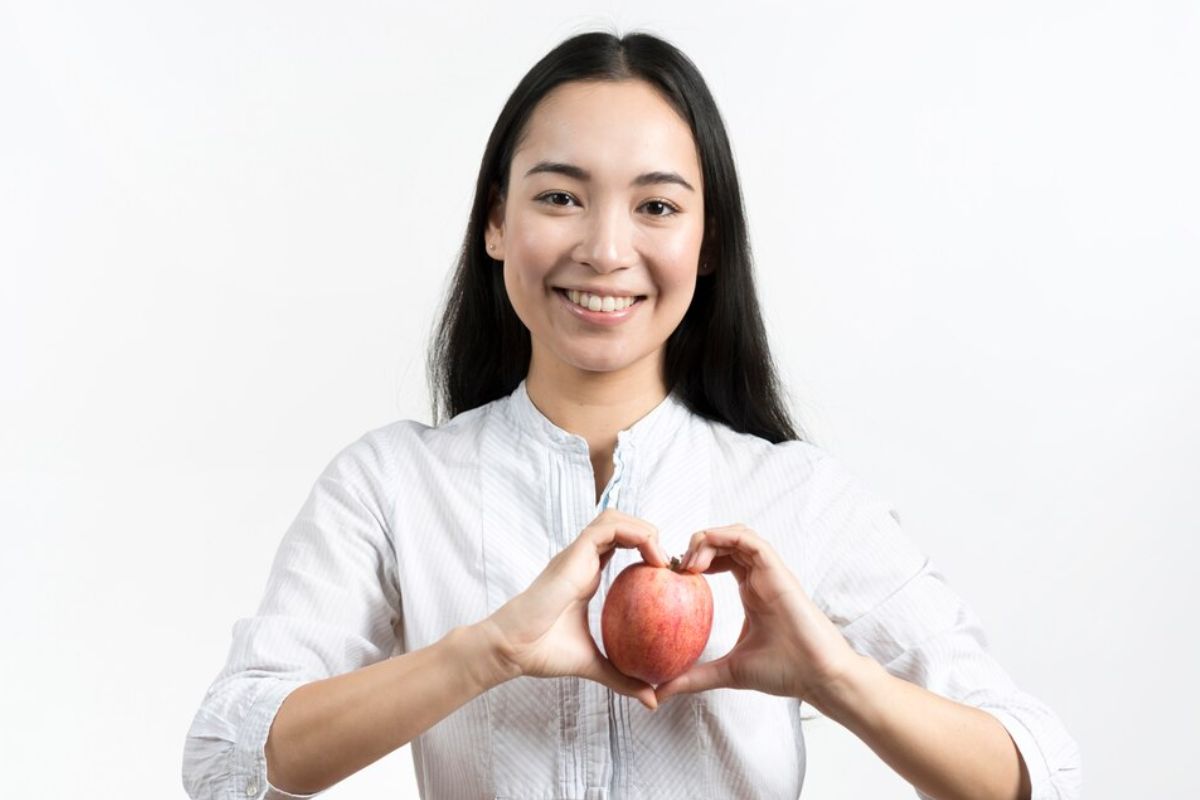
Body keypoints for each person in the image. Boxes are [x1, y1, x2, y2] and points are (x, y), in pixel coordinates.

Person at [182, 30, 1082, 800]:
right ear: (495, 224)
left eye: (655, 205)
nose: (606, 250)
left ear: (709, 240)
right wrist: (486, 653)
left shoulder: (798, 496)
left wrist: (833, 678)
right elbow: (226, 755)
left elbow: (1039, 770)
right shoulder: (393, 486)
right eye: (559, 197)